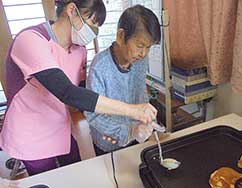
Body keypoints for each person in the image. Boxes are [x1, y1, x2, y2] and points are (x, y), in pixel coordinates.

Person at [0, 0, 157, 176]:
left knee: (75, 175)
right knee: (48, 179)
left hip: (61, 127)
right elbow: (68, 93)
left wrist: (119, 129)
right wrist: (133, 111)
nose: (93, 33)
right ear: (72, 10)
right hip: (30, 135)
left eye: (97, 27)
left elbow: (86, 96)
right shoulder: (31, 40)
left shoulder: (79, 50)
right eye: (92, 24)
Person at [85, 5, 161, 155]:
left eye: (148, 47)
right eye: (140, 46)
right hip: (108, 142)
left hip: (137, 137)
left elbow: (140, 95)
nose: (143, 53)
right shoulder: (99, 66)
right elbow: (93, 115)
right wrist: (128, 131)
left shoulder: (140, 60)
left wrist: (148, 122)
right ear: (121, 36)